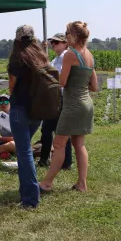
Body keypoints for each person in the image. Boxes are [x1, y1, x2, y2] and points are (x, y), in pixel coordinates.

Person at [40, 21, 98, 193]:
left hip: (72, 105)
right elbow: (94, 86)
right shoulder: (89, 55)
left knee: (58, 144)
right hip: (86, 104)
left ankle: (47, 183)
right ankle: (82, 184)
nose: (65, 36)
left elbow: (63, 82)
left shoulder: (70, 55)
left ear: (74, 36)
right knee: (79, 144)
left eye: (67, 33)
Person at [7, 25, 48, 208]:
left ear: (17, 39)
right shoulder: (42, 58)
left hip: (20, 110)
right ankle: (24, 193)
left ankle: (31, 199)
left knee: (25, 154)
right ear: (33, 39)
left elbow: (11, 87)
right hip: (38, 111)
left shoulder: (17, 59)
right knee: (26, 152)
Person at [38, 33, 73, 169]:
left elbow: (58, 77)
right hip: (53, 99)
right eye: (52, 42)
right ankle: (44, 158)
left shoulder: (66, 57)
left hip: (61, 98)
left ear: (65, 43)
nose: (53, 44)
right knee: (47, 130)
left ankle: (66, 162)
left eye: (56, 42)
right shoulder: (56, 59)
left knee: (62, 131)